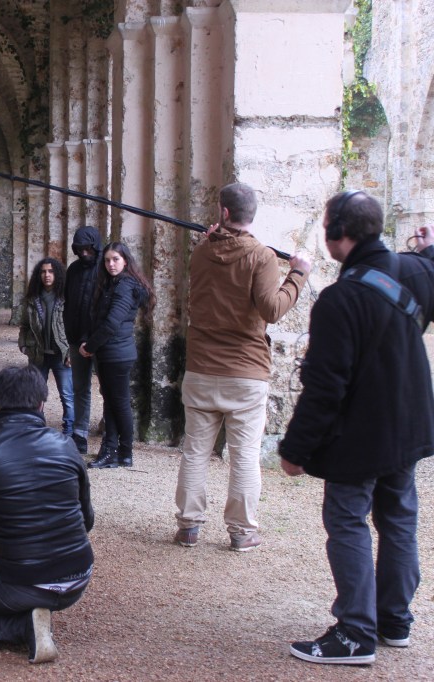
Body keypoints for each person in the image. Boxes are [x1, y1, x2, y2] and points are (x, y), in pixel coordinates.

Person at [279, 192, 434, 665]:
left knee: (347, 520)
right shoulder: (414, 271)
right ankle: (393, 620)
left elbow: (325, 387)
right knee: (398, 518)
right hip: (407, 422)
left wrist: (296, 447)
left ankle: (355, 632)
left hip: (362, 431)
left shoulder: (339, 299)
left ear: (336, 234)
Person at [173, 182, 312, 552]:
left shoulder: (201, 252)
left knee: (195, 452)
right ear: (253, 214)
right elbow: (272, 310)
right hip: (245, 372)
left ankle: (188, 526)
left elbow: (214, 259)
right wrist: (297, 274)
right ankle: (241, 531)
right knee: (244, 455)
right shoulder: (262, 256)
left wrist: (212, 240)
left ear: (222, 212)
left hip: (202, 368)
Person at [0, 365, 95, 665]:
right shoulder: (67, 446)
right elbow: (86, 519)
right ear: (41, 404)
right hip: (78, 576)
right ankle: (33, 615)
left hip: (22, 580)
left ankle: (24, 627)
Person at [82, 242, 155, 469]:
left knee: (119, 403)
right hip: (111, 352)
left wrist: (90, 346)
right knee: (113, 402)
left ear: (125, 261)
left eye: (115, 259)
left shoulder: (125, 285)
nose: (111, 264)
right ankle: (115, 451)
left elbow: (112, 323)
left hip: (116, 353)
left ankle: (121, 450)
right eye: (107, 260)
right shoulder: (115, 283)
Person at [18, 258, 73, 436]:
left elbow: (74, 326)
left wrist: (71, 352)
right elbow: (25, 325)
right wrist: (24, 344)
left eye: (50, 271)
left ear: (57, 274)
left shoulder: (66, 297)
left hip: (61, 354)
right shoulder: (32, 298)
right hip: (38, 353)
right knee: (36, 393)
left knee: (66, 394)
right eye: (43, 272)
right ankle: (37, 428)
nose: (47, 275)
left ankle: (70, 430)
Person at [63, 226, 103, 455]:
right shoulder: (74, 270)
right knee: (80, 388)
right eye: (80, 249)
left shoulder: (104, 270)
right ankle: (80, 434)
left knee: (107, 390)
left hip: (99, 340)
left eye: (88, 248)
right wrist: (70, 337)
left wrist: (95, 339)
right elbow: (69, 302)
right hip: (76, 339)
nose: (84, 253)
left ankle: (111, 432)